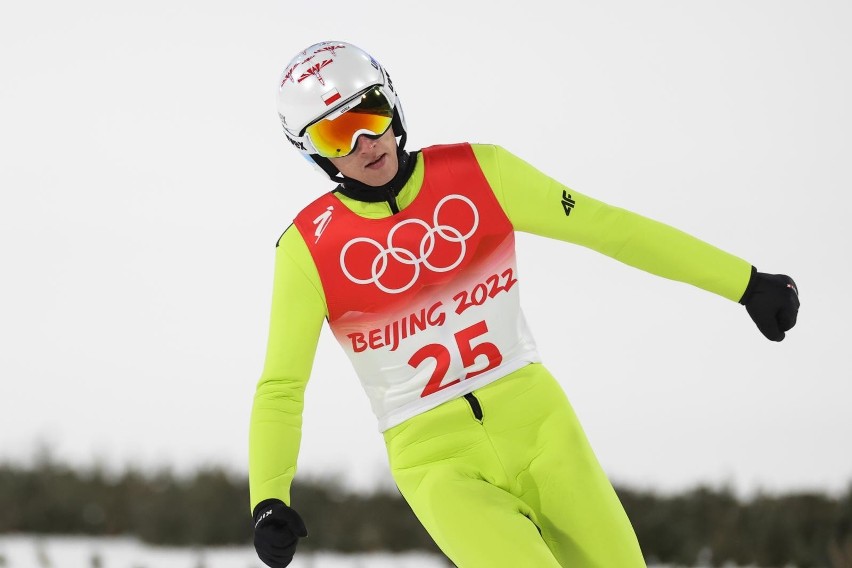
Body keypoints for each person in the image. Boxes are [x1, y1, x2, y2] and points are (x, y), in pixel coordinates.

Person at [249, 40, 800, 568]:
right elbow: (281, 387)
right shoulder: (308, 248)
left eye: (369, 115)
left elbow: (607, 228)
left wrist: (744, 283)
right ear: (313, 152)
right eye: (336, 134)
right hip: (436, 466)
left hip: (541, 427)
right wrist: (268, 497)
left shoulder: (480, 173)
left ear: (391, 103)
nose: (365, 143)